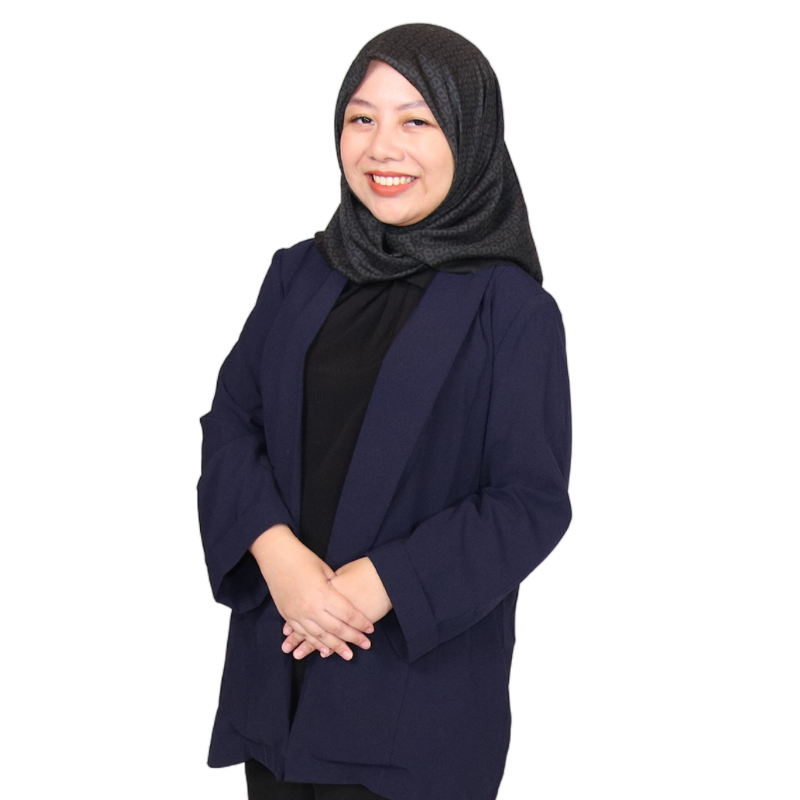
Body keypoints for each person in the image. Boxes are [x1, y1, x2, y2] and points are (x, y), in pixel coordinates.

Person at [197, 22, 572, 800]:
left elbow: (527, 501)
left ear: (470, 136)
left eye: (417, 121)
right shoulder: (298, 274)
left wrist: (378, 584)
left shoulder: (512, 311)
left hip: (413, 703)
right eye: (361, 118)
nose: (381, 147)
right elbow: (232, 425)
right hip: (280, 668)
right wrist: (279, 557)